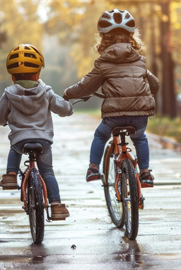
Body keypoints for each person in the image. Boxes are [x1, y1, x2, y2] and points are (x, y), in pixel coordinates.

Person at [63, 9, 160, 188]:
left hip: (114, 116)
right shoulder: (140, 61)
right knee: (140, 138)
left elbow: (85, 87)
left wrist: (69, 94)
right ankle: (145, 173)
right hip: (140, 114)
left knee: (100, 135)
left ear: (103, 39)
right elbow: (155, 84)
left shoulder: (103, 64)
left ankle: (93, 168)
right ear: (132, 38)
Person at [0, 44, 73, 220]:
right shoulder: (46, 92)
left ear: (12, 76)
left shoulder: (8, 94)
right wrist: (69, 108)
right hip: (43, 141)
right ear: (38, 74)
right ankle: (56, 205)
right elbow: (63, 109)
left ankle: (11, 175)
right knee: (47, 172)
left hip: (20, 140)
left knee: (15, 148)